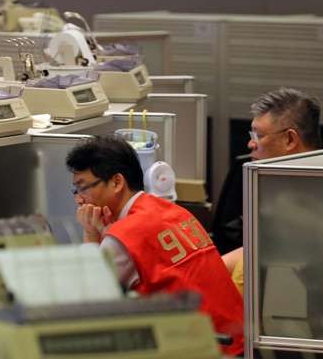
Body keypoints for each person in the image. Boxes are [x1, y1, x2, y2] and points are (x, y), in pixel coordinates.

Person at [66, 137, 244, 356]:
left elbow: (86, 304)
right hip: (238, 342)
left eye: (83, 188)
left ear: (116, 182)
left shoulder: (125, 236)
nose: (79, 200)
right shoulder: (173, 211)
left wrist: (90, 234)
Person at [221, 87, 322, 293]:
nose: (250, 143)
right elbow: (251, 251)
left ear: (290, 140)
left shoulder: (322, 200)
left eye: (258, 136)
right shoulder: (273, 186)